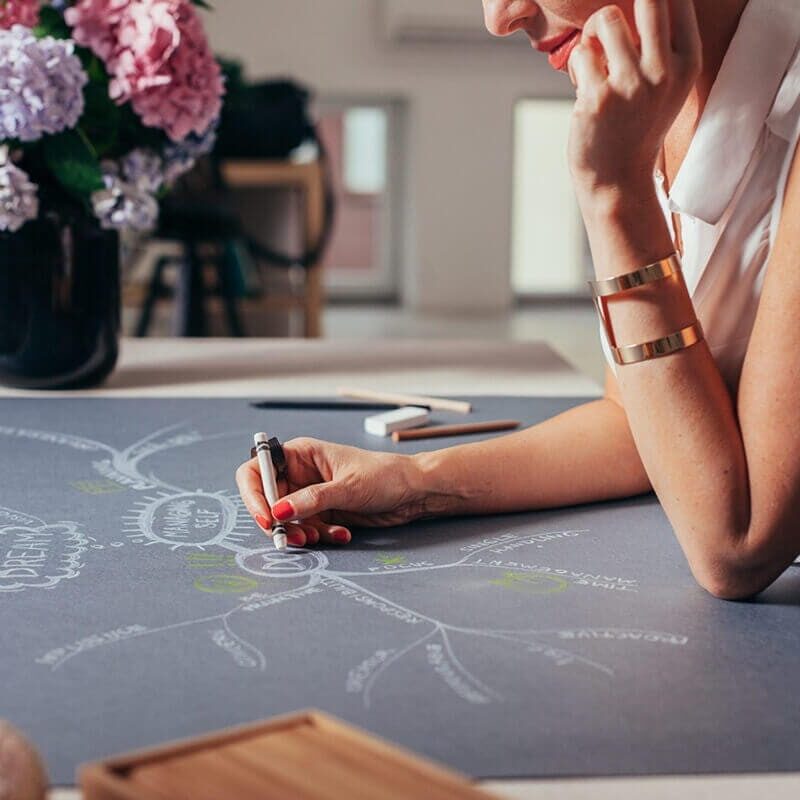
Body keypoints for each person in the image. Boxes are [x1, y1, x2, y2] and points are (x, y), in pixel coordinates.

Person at [237, 0, 800, 600]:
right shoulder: (645, 95)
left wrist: (615, 194)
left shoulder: (629, 138)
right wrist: (409, 484)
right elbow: (637, 422)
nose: (498, 17)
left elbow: (738, 544)